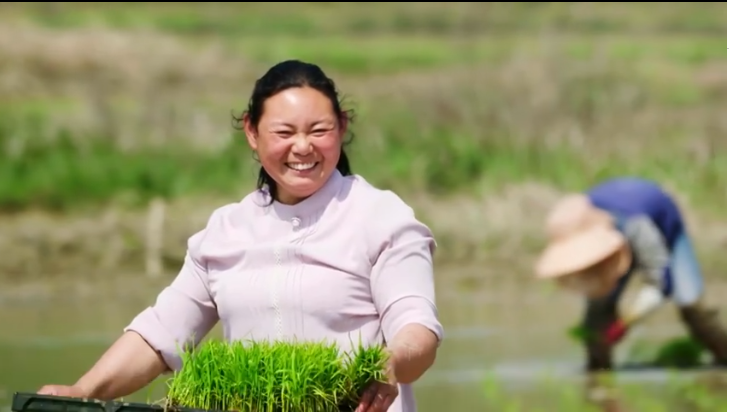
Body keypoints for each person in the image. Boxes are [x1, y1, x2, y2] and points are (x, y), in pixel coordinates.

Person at [38, 60, 444, 412]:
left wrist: (391, 362)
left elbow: (417, 328)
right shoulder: (226, 230)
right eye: (284, 133)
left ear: (342, 127)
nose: (303, 147)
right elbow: (161, 334)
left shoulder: (380, 217)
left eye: (319, 130)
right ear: (252, 132)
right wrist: (82, 392)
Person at [534, 177, 726, 371]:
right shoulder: (580, 218)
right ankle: (598, 371)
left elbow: (662, 283)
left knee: (692, 307)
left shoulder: (637, 226)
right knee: (597, 316)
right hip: (620, 231)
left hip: (664, 230)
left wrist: (626, 322)